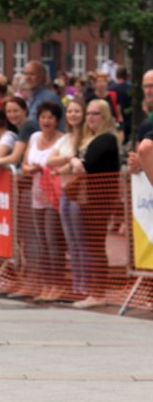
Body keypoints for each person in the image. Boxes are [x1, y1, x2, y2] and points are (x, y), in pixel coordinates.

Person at [70, 99, 121, 308]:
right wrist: (75, 161)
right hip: (88, 198)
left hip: (100, 199)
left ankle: (98, 292)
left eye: (95, 114)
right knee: (90, 244)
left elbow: (86, 163)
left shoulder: (106, 138)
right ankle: (94, 290)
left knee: (95, 245)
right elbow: (77, 160)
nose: (90, 117)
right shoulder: (89, 139)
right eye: (89, 113)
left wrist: (75, 161)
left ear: (105, 116)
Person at [21, 101, 64, 301]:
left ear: (57, 120)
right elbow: (25, 163)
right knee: (42, 242)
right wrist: (30, 169)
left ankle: (58, 285)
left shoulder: (62, 141)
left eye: (50, 117)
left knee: (52, 240)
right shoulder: (34, 137)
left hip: (53, 196)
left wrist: (46, 169)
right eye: (43, 117)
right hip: (36, 195)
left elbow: (61, 164)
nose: (46, 121)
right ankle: (46, 285)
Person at [46, 98, 88, 299]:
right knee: (71, 241)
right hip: (65, 191)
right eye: (70, 111)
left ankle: (85, 284)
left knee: (81, 239)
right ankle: (77, 284)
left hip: (79, 193)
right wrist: (68, 161)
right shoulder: (65, 139)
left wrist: (65, 166)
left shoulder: (86, 138)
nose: (73, 115)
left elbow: (80, 162)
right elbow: (50, 161)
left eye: (77, 111)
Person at [23, 60, 63, 125]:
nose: (28, 78)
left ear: (42, 76)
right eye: (25, 74)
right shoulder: (31, 98)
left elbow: (60, 125)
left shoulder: (50, 98)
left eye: (32, 74)